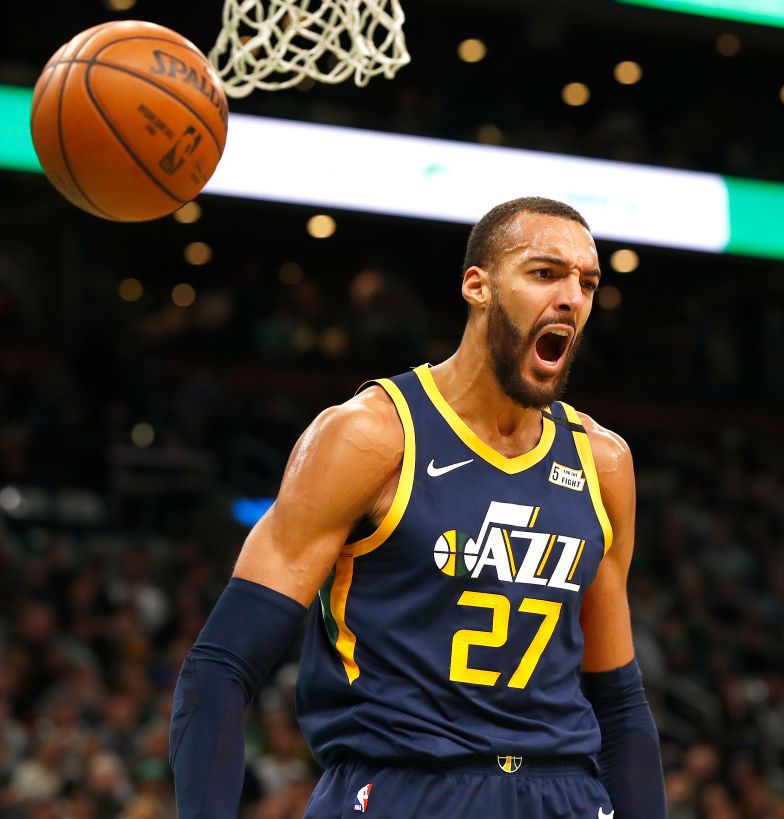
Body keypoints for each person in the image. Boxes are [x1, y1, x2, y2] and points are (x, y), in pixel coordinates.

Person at [169, 197, 666, 818]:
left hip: (562, 793)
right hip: (404, 787)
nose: (571, 298)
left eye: (586, 283)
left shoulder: (603, 462)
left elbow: (618, 703)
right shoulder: (372, 436)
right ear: (477, 286)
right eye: (545, 273)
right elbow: (221, 666)